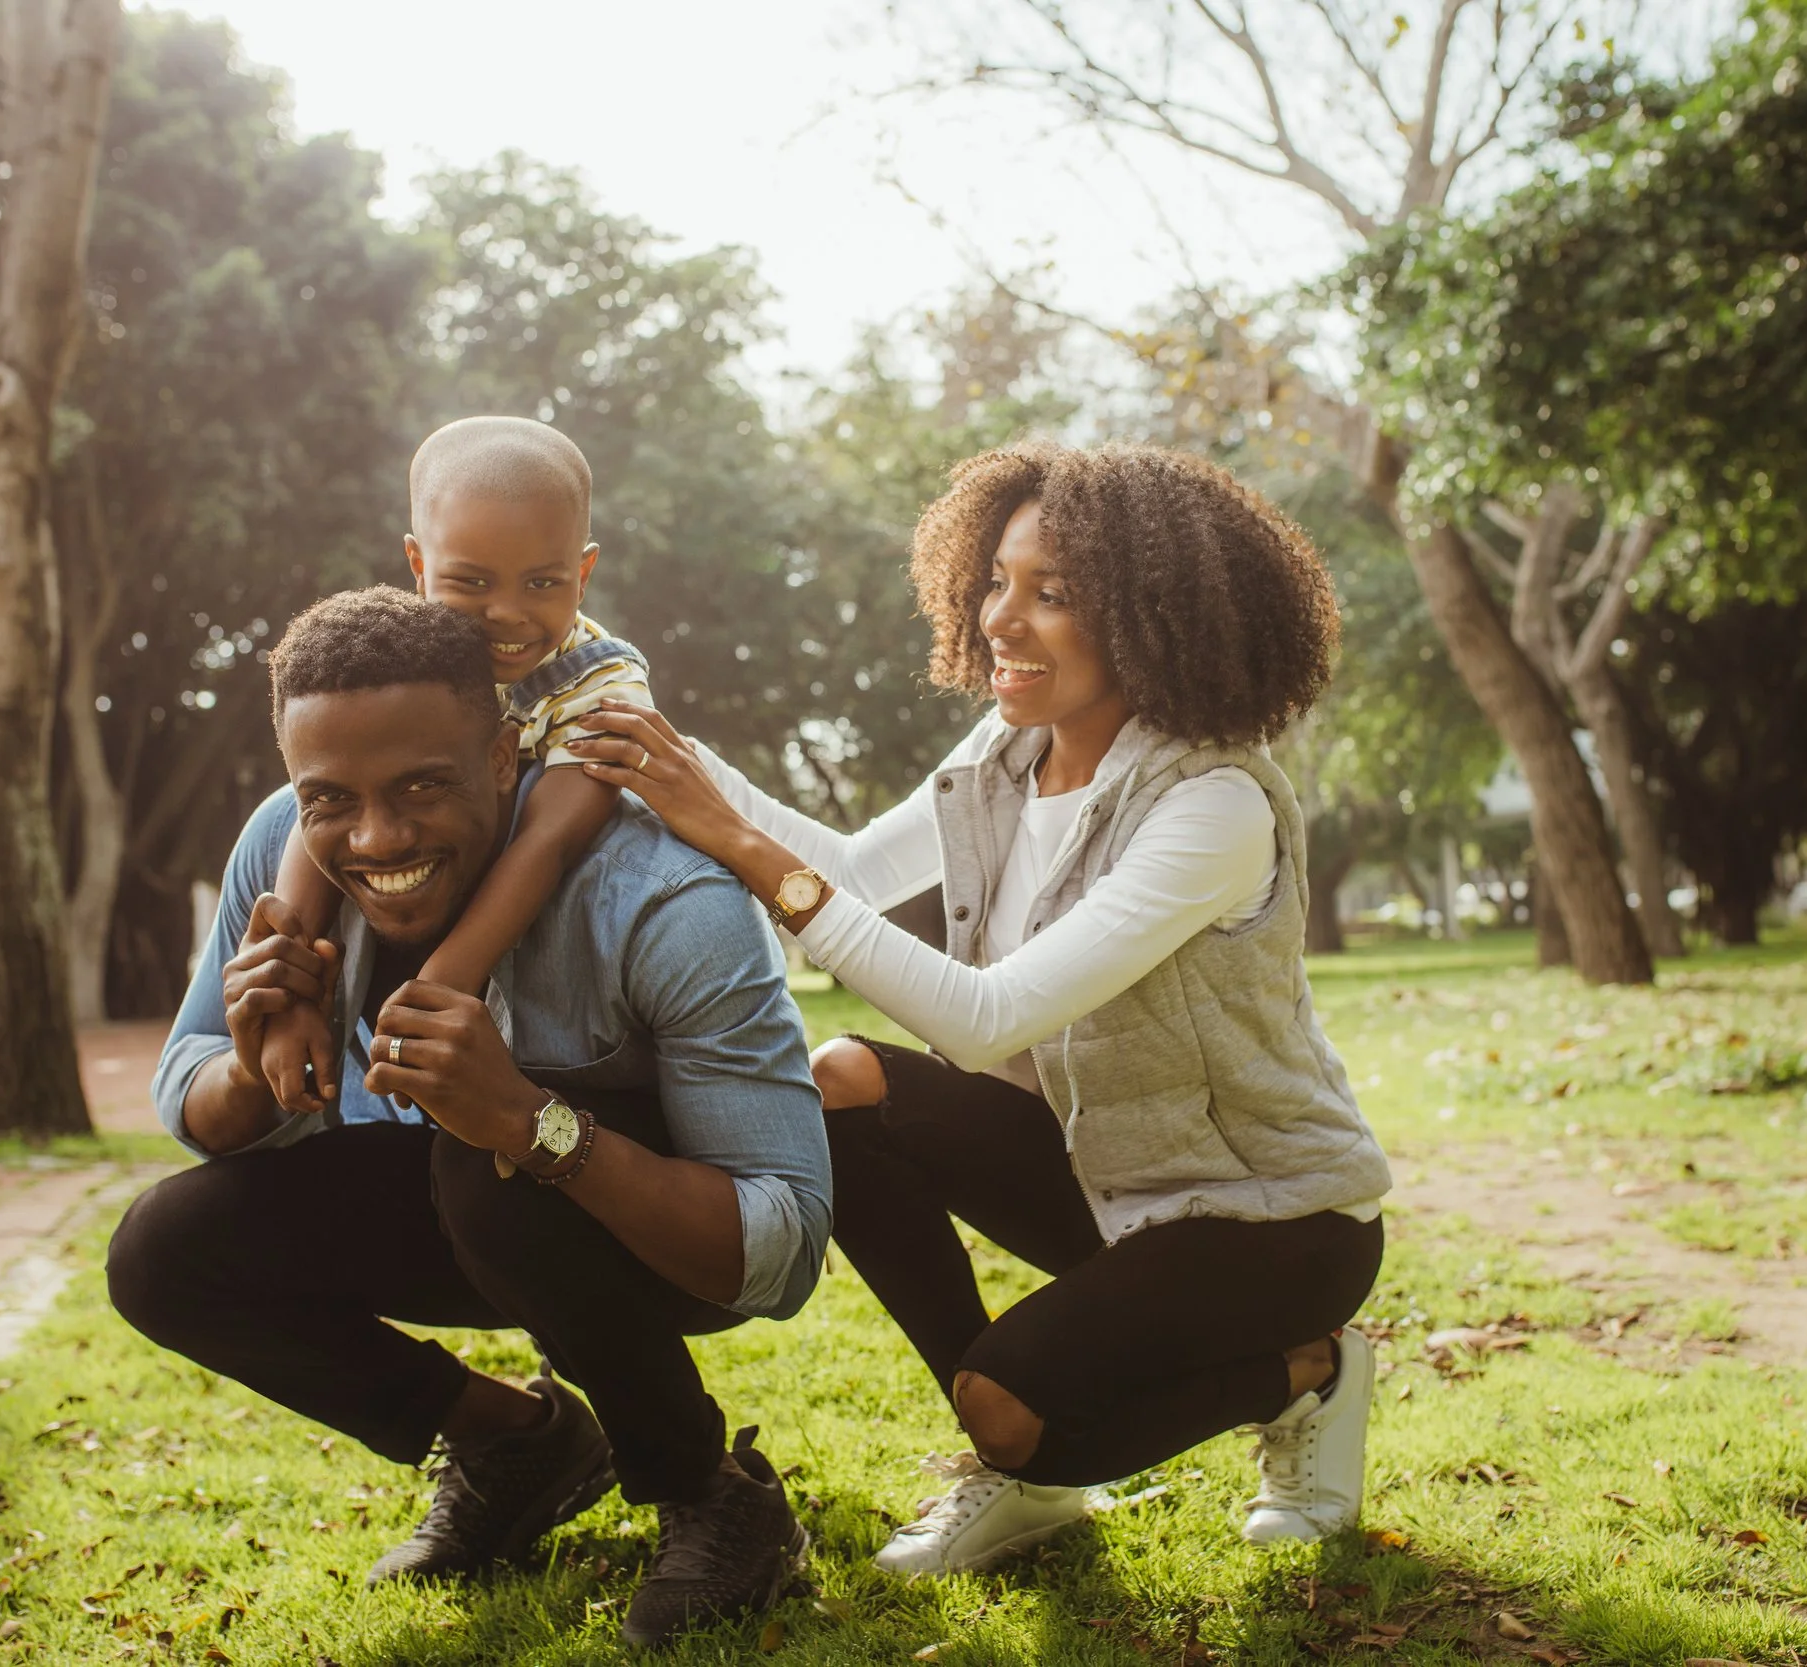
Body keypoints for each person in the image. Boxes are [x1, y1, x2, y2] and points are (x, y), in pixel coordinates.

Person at [573, 440, 1393, 1577]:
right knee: (844, 1079)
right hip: (1100, 1179)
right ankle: (1012, 1443)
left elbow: (985, 1018)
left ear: (1159, 618)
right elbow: (854, 874)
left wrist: (734, 841)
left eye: (1053, 593)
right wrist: (669, 751)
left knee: (1015, 1401)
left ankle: (1308, 1371)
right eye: (997, 579)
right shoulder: (1009, 751)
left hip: (1270, 1224)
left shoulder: (1212, 805)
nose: (1000, 618)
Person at [106, 587, 829, 1650]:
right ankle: (517, 1439)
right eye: (331, 799)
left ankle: (714, 1494)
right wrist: (256, 1060)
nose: (376, 835)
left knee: (486, 1174)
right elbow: (192, 1083)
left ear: (503, 756)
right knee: (164, 1250)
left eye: (420, 786)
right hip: (462, 1208)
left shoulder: (663, 895)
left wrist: (535, 1123)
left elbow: (784, 1246)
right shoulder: (282, 847)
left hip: (658, 1240)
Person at [254, 417, 653, 1117]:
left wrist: (439, 988)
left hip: (511, 950)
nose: (505, 613)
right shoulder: (405, 660)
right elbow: (320, 808)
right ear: (418, 565)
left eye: (541, 581)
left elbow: (547, 839)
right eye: (469, 581)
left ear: (583, 572)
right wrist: (287, 997)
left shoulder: (602, 685)